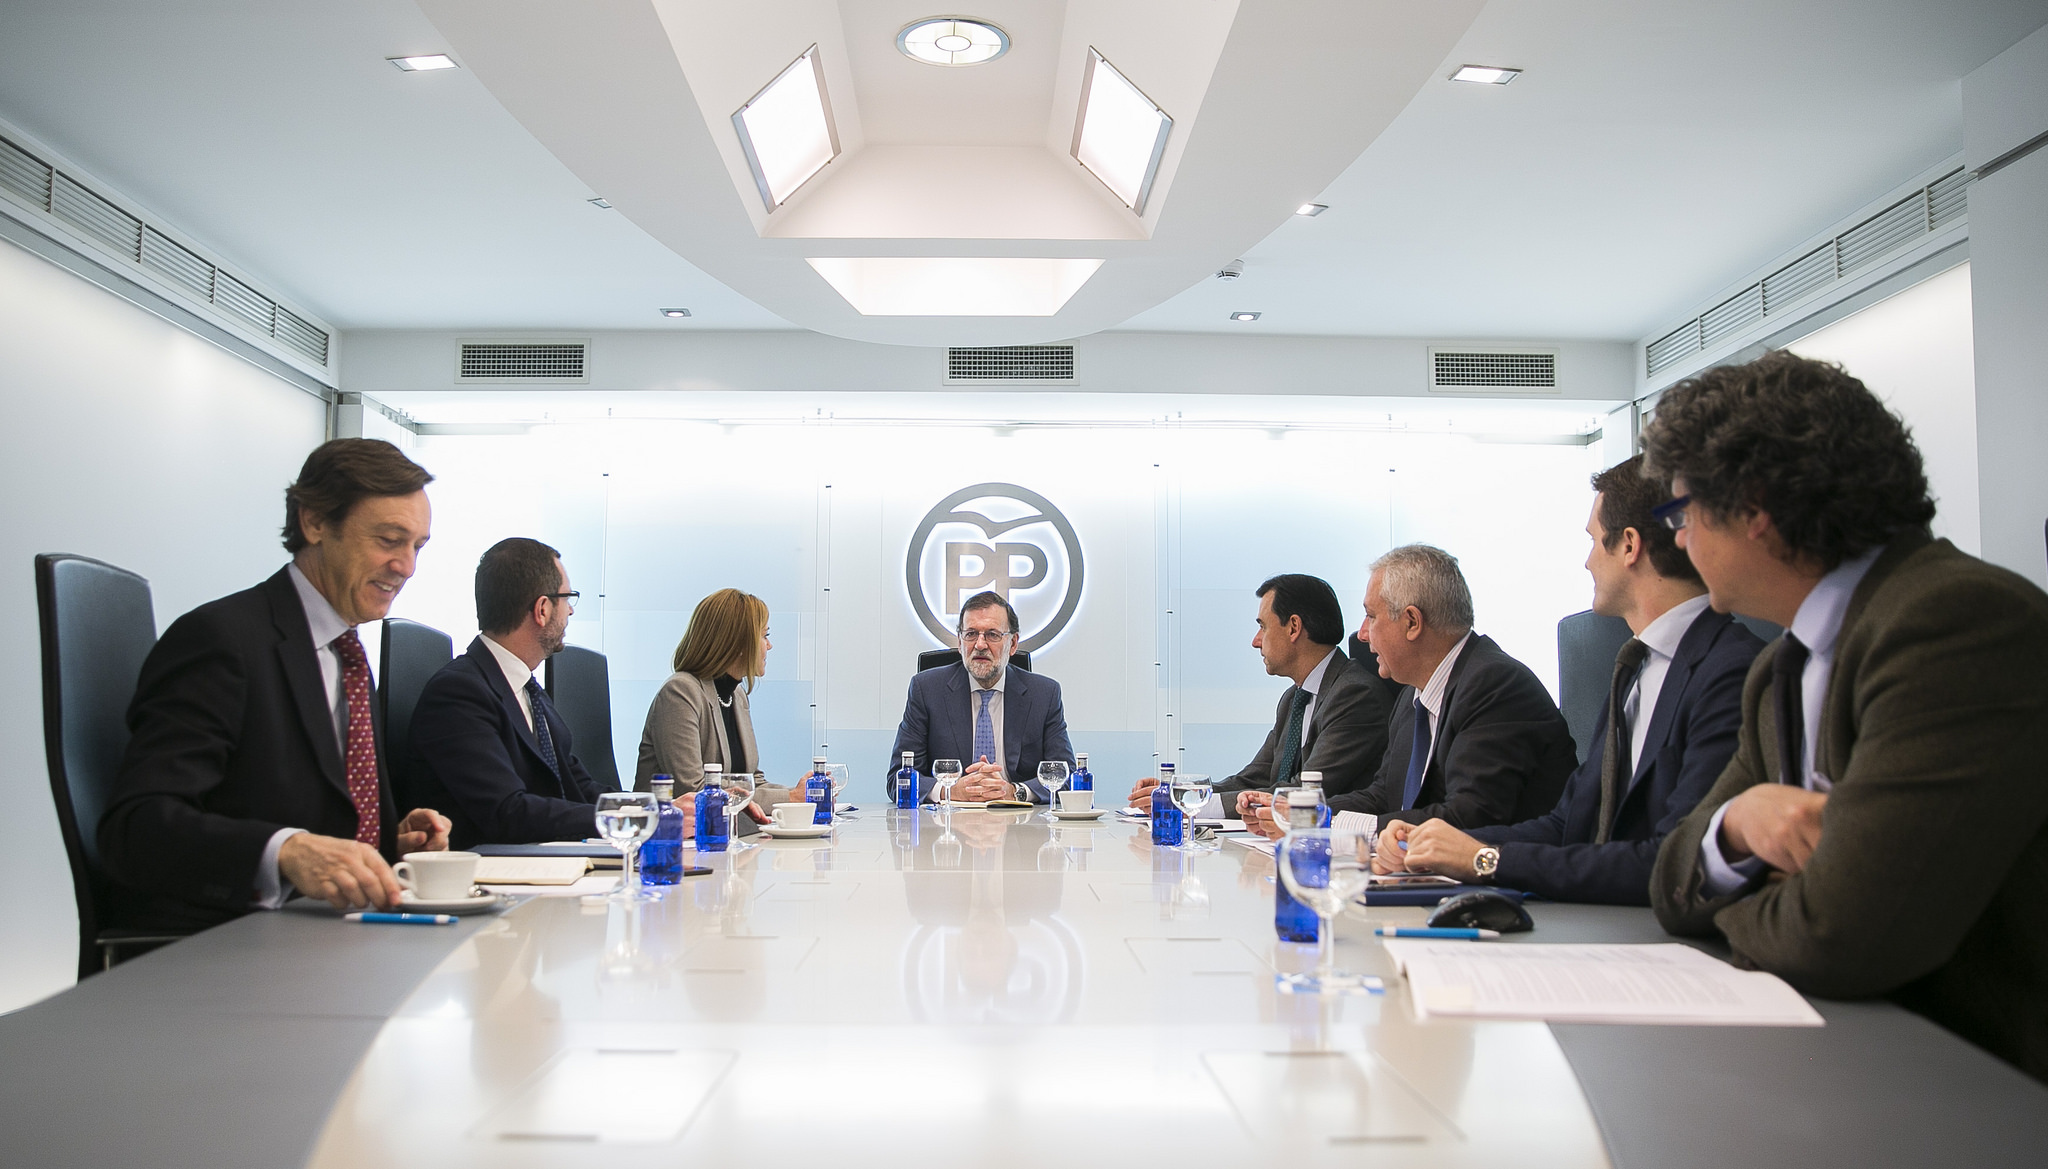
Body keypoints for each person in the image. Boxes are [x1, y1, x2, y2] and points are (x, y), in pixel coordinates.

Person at [1644, 352, 2048, 1083]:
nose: (1679, 539)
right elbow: (1670, 883)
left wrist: (1742, 895)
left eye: (1682, 511)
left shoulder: (1956, 620)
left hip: (1981, 1087)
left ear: (1755, 506)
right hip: (1842, 1066)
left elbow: (1846, 934)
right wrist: (1739, 827)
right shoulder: (1779, 667)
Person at [98, 439, 452, 930]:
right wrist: (284, 850)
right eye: (389, 540)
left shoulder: (348, 655)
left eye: (417, 547)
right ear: (315, 523)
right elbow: (136, 829)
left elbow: (304, 808)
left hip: (337, 940)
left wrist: (388, 844)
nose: (407, 567)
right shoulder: (222, 640)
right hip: (226, 951)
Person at [1374, 457, 1763, 902]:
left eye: (1595, 541)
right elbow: (1569, 824)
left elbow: (1671, 862)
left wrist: (1485, 859)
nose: (1587, 562)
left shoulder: (1730, 672)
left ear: (1629, 546)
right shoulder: (1636, 666)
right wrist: (1435, 842)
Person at [1249, 545, 1575, 837]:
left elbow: (1469, 817)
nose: (1361, 635)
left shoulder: (1495, 686)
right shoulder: (1412, 695)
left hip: (1508, 893)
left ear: (1411, 622)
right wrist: (1306, 812)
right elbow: (1383, 794)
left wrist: (1327, 823)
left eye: (1371, 616)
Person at [1125, 573, 1392, 810]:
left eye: (1263, 626)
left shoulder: (1354, 695)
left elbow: (1306, 791)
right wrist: (1181, 794)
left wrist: (1184, 805)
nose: (1255, 641)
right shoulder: (1294, 698)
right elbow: (1256, 778)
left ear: (1294, 627)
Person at [408, 538, 609, 847]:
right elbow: (508, 812)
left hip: (546, 861)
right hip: (493, 874)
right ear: (542, 609)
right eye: (567, 598)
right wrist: (623, 820)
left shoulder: (527, 689)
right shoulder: (459, 693)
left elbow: (577, 785)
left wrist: (650, 812)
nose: (570, 611)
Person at [887, 590, 1074, 803]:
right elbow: (898, 780)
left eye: (992, 634)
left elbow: (1065, 777)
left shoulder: (1044, 694)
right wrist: (950, 792)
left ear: (1013, 644)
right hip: (946, 827)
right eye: (971, 634)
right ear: (959, 642)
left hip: (1020, 823)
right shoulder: (926, 690)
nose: (980, 645)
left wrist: (1015, 792)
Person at [636, 588, 791, 814]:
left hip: (727, 836)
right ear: (739, 643)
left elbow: (752, 780)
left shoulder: (736, 696)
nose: (769, 646)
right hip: (674, 840)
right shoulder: (680, 693)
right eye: (764, 636)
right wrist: (791, 797)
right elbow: (695, 789)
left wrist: (801, 795)